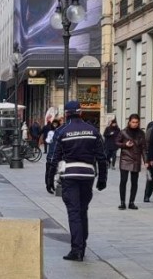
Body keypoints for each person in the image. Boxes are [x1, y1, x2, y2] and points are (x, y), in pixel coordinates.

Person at [50, 100, 108, 261]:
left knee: (74, 212)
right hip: (88, 175)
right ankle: (82, 243)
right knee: (83, 210)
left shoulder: (63, 132)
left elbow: (55, 158)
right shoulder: (93, 131)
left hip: (70, 175)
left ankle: (77, 249)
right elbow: (102, 158)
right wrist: (102, 179)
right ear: (81, 112)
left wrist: (49, 180)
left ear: (66, 114)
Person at [116, 114, 146, 210]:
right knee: (123, 181)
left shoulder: (141, 133)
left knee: (134, 182)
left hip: (136, 159)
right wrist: (125, 144)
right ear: (129, 122)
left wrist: (146, 160)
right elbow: (116, 142)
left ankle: (131, 202)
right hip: (125, 159)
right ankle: (122, 202)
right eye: (133, 122)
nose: (134, 124)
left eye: (136, 122)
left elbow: (144, 148)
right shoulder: (123, 132)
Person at [44, 119, 62, 194]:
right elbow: (47, 140)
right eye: (54, 124)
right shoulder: (51, 132)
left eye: (56, 124)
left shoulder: (59, 132)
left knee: (54, 171)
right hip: (51, 154)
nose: (55, 126)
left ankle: (52, 185)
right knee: (50, 171)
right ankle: (48, 185)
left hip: (56, 154)